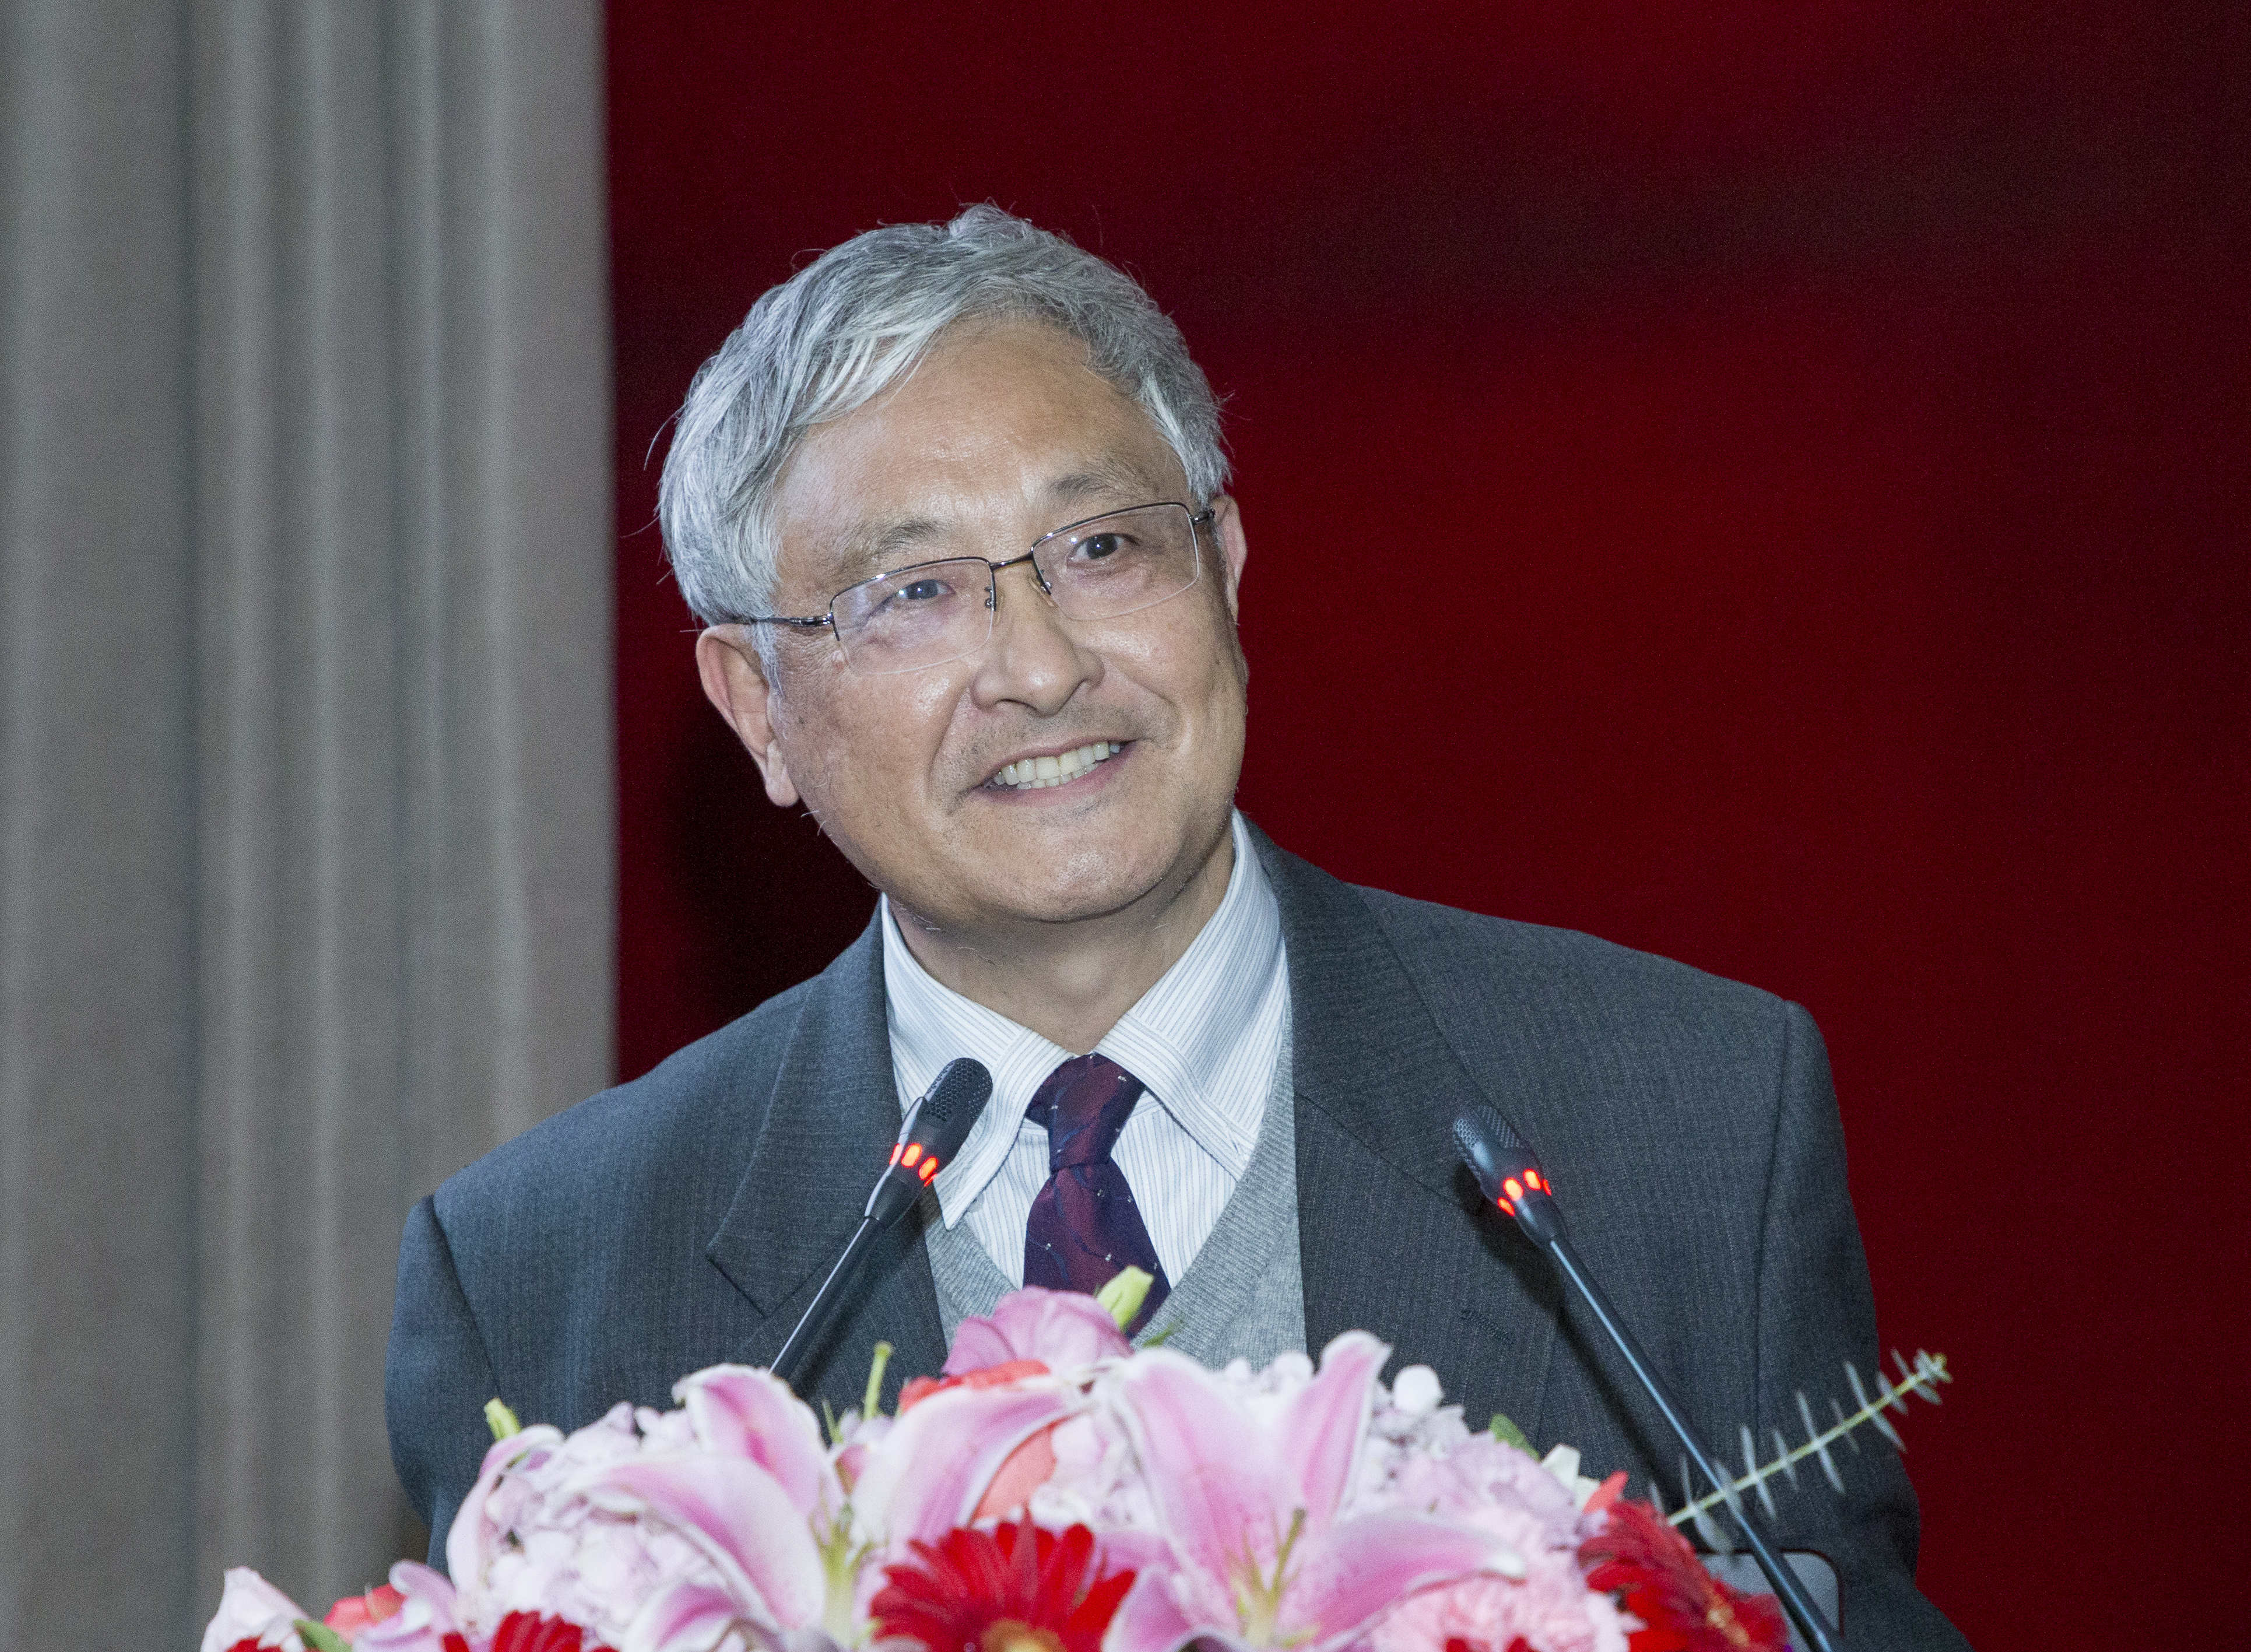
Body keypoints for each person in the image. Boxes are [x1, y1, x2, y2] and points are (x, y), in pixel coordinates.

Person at [386, 206, 1965, 1647]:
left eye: (1101, 548)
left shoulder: (1688, 1127)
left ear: (1224, 567)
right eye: (913, 592)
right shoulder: (548, 1276)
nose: (1040, 667)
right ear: (759, 708)